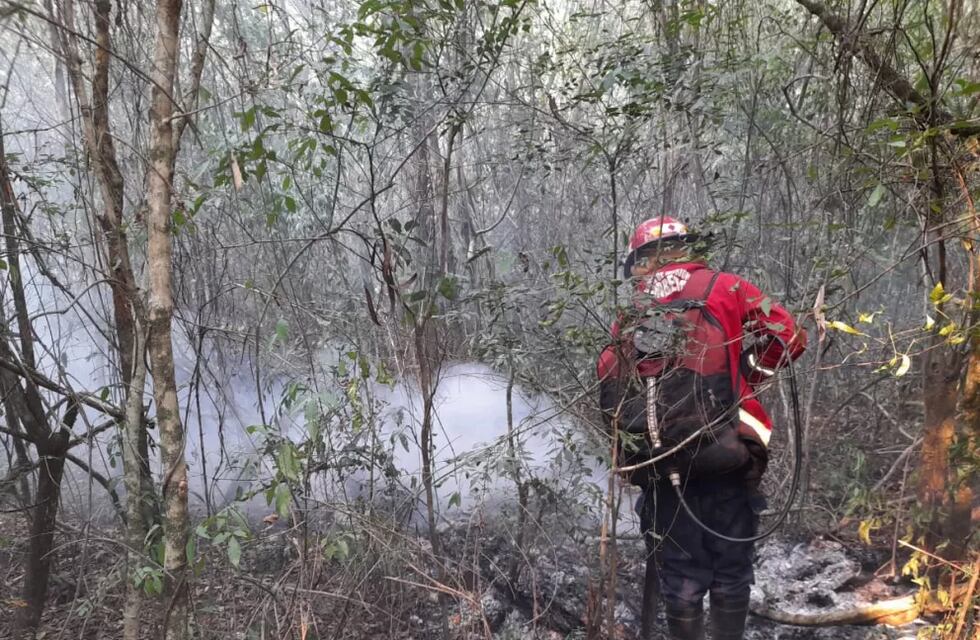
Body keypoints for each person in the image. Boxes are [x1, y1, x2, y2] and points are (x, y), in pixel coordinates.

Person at [596, 216, 806, 640]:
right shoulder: (725, 285)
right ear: (688, 248)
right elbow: (789, 336)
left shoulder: (631, 310)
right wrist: (748, 375)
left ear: (640, 261)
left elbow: (608, 372)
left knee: (680, 577)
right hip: (724, 454)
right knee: (730, 570)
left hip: (660, 465)